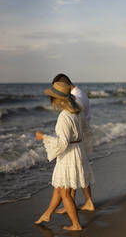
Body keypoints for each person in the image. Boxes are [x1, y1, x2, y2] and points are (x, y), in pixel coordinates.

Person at [34, 82, 94, 230]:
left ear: (57, 99)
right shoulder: (77, 110)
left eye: (52, 98)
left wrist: (44, 137)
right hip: (78, 151)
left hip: (69, 155)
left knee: (64, 192)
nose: (51, 101)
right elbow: (86, 130)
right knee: (60, 187)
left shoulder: (64, 116)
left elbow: (62, 143)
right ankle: (47, 214)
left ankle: (76, 225)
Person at [52, 73, 94, 213]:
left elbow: (74, 119)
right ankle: (86, 202)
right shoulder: (80, 93)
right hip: (81, 138)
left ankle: (71, 202)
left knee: (75, 172)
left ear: (65, 85)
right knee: (80, 172)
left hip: (77, 140)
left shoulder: (77, 98)